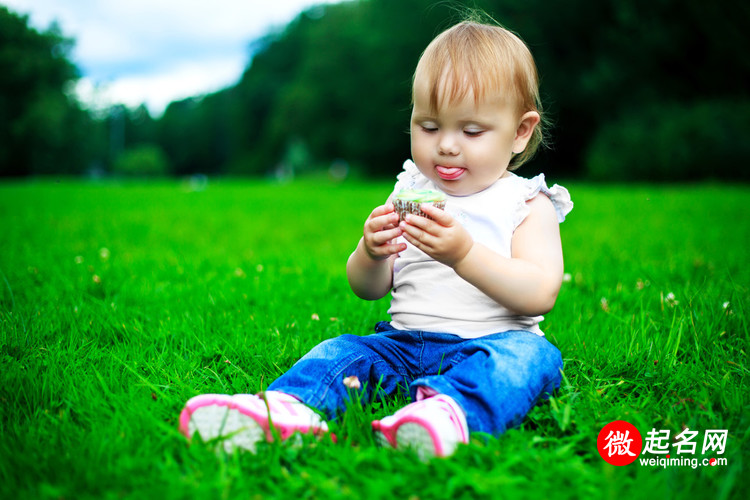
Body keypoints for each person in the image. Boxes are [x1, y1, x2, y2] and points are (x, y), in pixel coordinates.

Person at [179, 18, 573, 460]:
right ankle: (289, 410)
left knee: (532, 359)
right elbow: (367, 288)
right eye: (428, 126)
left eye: (471, 131)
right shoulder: (410, 191)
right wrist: (369, 252)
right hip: (403, 345)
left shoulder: (527, 201)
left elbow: (539, 293)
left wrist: (463, 254)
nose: (445, 145)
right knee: (342, 351)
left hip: (492, 344)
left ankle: (449, 414)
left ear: (520, 132)